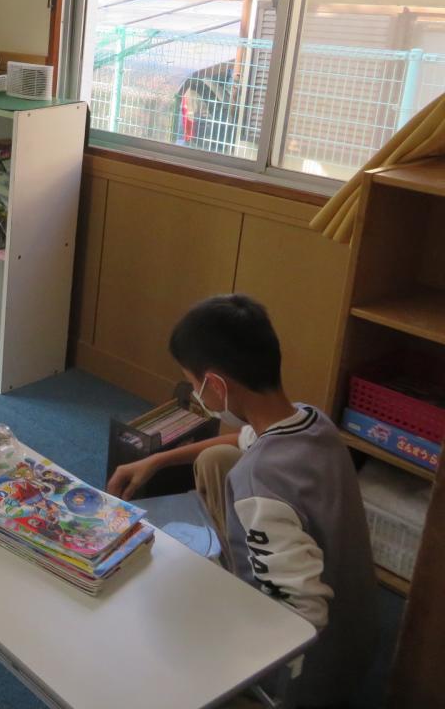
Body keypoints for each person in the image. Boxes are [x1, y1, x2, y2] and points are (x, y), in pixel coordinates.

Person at [107, 294, 377, 709]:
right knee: (217, 457)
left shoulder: (261, 483)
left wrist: (203, 618)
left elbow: (305, 617)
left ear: (216, 386)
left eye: (195, 386)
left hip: (306, 677)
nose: (197, 396)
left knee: (149, 636)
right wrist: (156, 460)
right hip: (356, 639)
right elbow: (242, 439)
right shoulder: (312, 421)